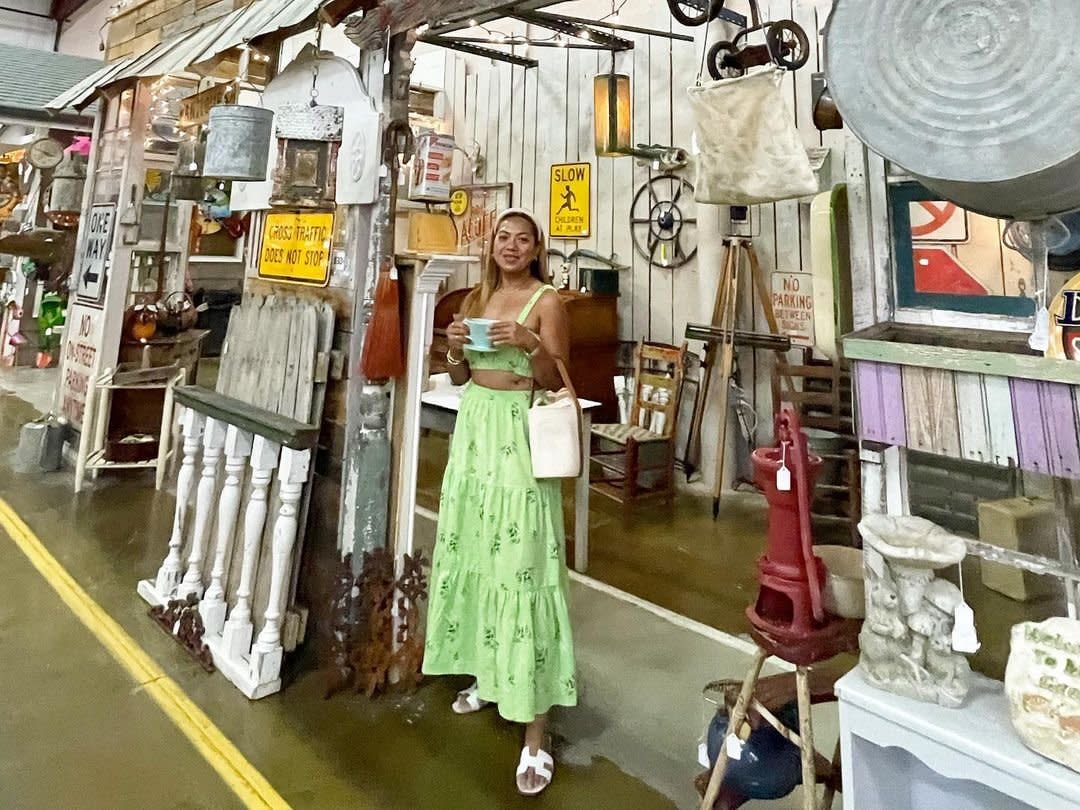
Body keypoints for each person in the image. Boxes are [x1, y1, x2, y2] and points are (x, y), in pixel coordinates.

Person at [423, 208, 576, 796]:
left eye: (522, 240)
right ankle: (490, 674)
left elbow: (557, 377)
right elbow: (460, 375)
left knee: (524, 568)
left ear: (537, 249)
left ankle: (535, 734)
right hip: (477, 432)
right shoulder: (474, 300)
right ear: (491, 247)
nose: (511, 247)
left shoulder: (548, 301)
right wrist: (454, 346)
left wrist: (531, 341)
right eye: (502, 239)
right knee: (479, 558)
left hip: (520, 432)